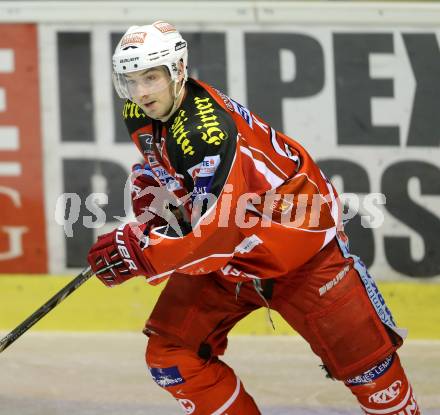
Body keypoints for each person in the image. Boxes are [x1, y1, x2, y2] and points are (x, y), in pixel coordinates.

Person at [87, 21, 420, 415]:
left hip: (301, 255)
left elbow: (218, 231)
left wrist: (140, 251)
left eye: (151, 77)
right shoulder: (141, 111)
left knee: (375, 378)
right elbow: (183, 185)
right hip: (232, 263)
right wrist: (157, 192)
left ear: (178, 71)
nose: (140, 92)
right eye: (130, 80)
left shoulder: (205, 132)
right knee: (171, 358)